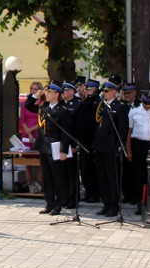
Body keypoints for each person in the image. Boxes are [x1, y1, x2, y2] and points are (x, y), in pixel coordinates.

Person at [92, 76, 128, 218]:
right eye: (104, 91)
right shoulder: (102, 106)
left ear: (114, 91)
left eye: (107, 91)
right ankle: (106, 203)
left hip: (111, 147)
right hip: (100, 146)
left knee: (112, 177)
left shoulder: (120, 107)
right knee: (102, 177)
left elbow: (123, 129)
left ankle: (114, 205)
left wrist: (120, 146)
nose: (104, 93)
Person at [35, 82, 73, 215]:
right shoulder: (44, 107)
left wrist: (63, 150)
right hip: (44, 147)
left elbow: (65, 133)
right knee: (47, 177)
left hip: (55, 147)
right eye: (47, 92)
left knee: (58, 177)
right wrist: (36, 96)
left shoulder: (63, 111)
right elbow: (29, 106)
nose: (47, 94)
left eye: (50, 92)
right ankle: (49, 202)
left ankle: (59, 203)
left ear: (57, 94)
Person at [77, 80, 101, 203]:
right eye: (86, 89)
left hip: (92, 141)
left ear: (96, 90)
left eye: (89, 89)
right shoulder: (85, 101)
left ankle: (94, 193)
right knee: (84, 169)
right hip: (83, 141)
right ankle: (88, 191)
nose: (86, 91)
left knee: (92, 169)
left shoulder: (96, 102)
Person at [61, 81, 82, 209]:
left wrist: (75, 145)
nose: (62, 93)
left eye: (65, 90)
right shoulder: (62, 105)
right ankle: (65, 197)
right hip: (63, 144)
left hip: (71, 144)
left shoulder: (77, 105)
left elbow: (79, 127)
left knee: (72, 173)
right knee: (64, 173)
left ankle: (74, 198)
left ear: (72, 92)